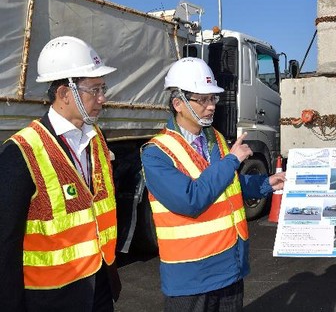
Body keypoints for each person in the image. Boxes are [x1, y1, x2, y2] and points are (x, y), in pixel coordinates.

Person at [141, 57, 286, 312]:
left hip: (229, 267)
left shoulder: (215, 138)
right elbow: (190, 200)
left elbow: (228, 185)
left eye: (213, 99)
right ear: (178, 104)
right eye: (202, 99)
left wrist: (264, 183)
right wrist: (231, 159)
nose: (211, 107)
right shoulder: (156, 152)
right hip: (191, 276)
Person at [0, 36, 121, 311]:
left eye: (103, 88)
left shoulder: (96, 138)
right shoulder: (21, 152)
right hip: (51, 299)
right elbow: (5, 248)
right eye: (94, 89)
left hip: (99, 287)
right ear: (64, 94)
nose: (102, 98)